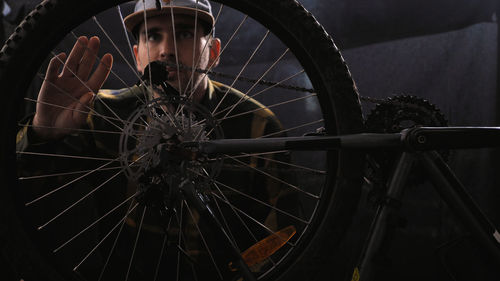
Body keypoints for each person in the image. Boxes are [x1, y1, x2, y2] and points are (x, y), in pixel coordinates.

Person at [16, 0, 299, 279]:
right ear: (138, 56)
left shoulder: (259, 126)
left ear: (213, 52)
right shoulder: (99, 114)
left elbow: (285, 240)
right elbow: (22, 194)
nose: (167, 51)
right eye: (153, 35)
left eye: (185, 33)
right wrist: (42, 132)